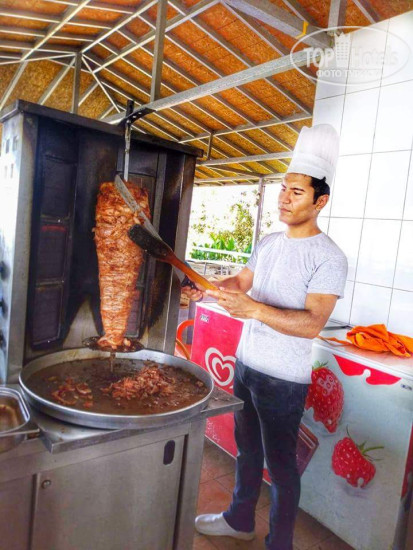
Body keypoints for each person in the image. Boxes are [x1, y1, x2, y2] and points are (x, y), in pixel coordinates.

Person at [183, 124, 348, 550]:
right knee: (247, 450)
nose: (284, 198)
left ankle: (280, 543)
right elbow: (241, 281)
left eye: (297, 192)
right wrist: (209, 288)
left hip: (284, 379)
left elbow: (312, 323)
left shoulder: (329, 257)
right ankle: (239, 519)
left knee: (281, 466)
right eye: (283, 189)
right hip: (247, 363)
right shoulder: (270, 242)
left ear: (320, 201)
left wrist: (254, 309)